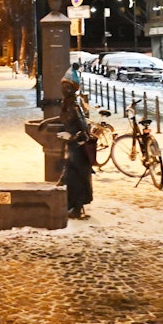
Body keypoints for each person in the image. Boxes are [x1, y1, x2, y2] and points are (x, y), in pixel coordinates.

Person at [59, 68, 94, 219]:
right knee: (70, 177)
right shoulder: (67, 104)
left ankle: (77, 207)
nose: (63, 89)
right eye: (63, 85)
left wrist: (71, 136)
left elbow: (84, 131)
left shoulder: (74, 106)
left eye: (67, 86)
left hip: (78, 150)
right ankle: (69, 205)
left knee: (78, 178)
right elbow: (63, 119)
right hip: (72, 149)